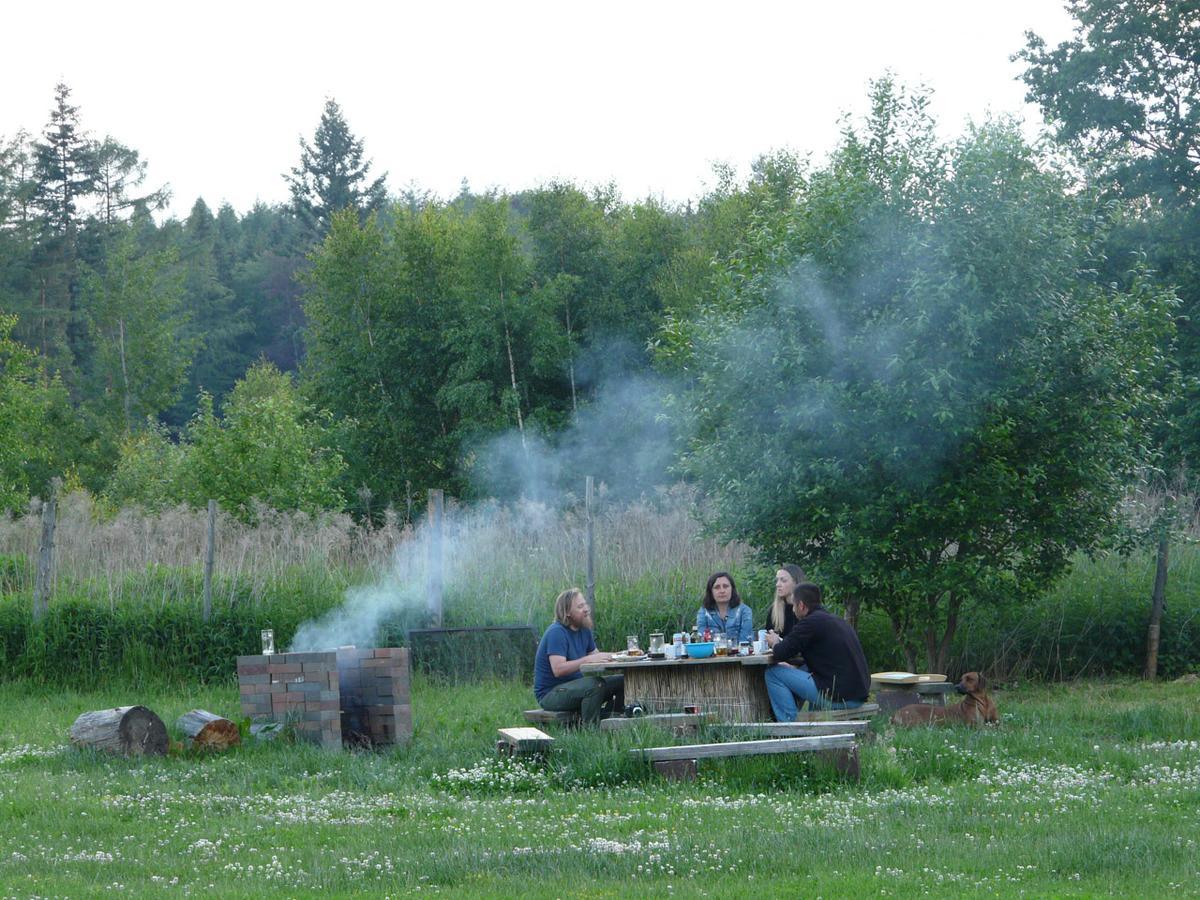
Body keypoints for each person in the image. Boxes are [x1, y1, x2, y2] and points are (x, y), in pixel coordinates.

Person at [764, 582, 869, 721]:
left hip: (841, 697)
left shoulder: (810, 623)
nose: (793, 610)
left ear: (801, 605)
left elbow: (780, 653)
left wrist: (774, 642)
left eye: (794, 605)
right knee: (812, 672)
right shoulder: (836, 621)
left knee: (773, 673)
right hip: (858, 694)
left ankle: (789, 727)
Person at [534, 588, 624, 723]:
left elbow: (598, 657)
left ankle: (610, 720)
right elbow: (558, 669)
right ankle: (590, 730)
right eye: (580, 606)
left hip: (574, 688)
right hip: (551, 694)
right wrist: (588, 659)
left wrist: (623, 655)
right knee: (595, 685)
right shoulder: (556, 632)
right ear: (567, 613)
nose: (586, 609)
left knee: (623, 681)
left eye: (585, 604)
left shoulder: (584, 629)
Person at [695, 571, 754, 643]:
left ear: (732, 589)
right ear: (711, 591)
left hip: (739, 652)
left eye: (725, 586)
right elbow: (702, 641)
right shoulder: (703, 612)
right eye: (717, 587)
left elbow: (745, 642)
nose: (722, 591)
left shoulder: (745, 611)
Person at [764, 563, 806, 638]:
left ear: (796, 583)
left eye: (783, 580)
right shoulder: (774, 610)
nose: (778, 584)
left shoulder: (806, 609)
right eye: (777, 580)